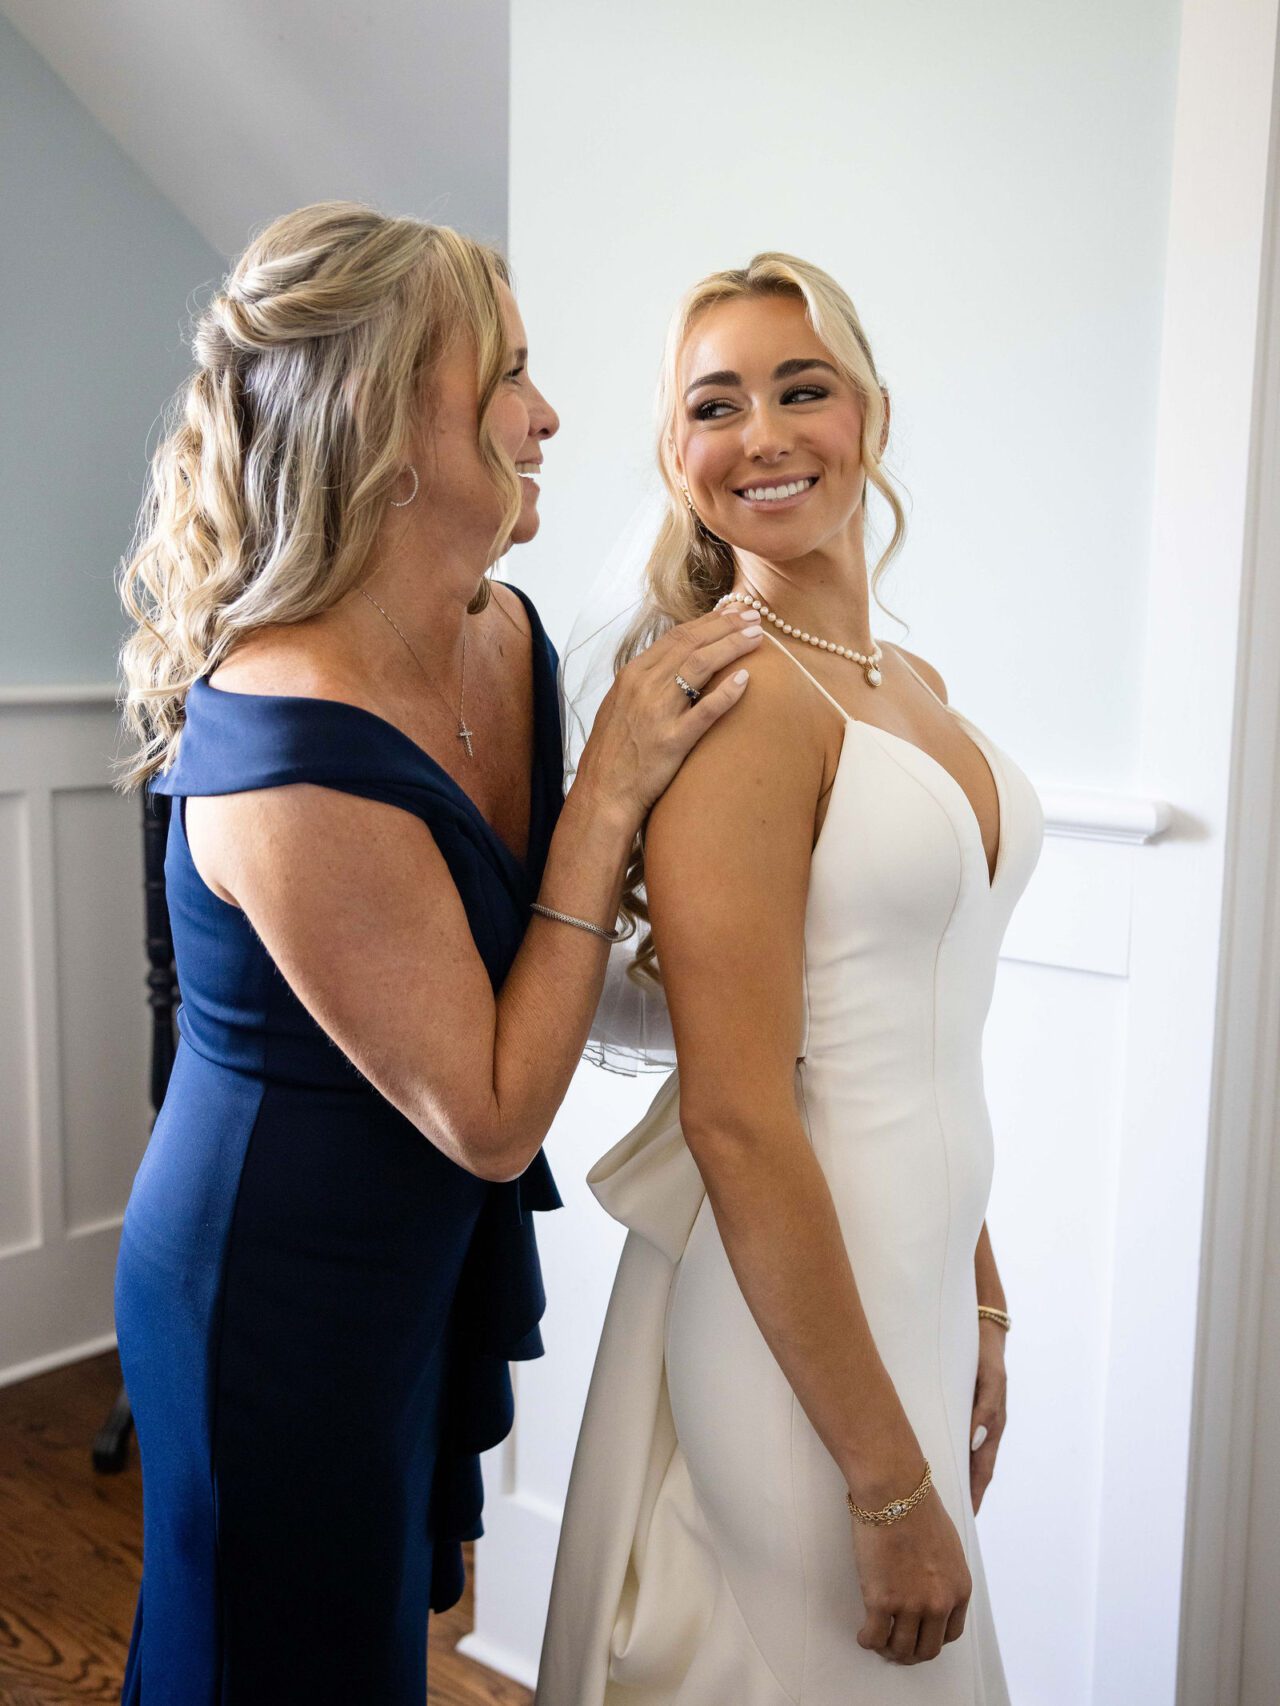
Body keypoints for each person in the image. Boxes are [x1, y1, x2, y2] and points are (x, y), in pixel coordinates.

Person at [112, 201, 763, 1706]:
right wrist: (609, 789)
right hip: (265, 1288)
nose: (550, 414)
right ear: (392, 429)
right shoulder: (285, 749)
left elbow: (544, 951)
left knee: (379, 1639)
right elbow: (487, 1109)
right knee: (264, 1666)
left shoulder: (504, 636)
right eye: (509, 375)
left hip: (411, 1268)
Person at [538, 253, 1045, 1704]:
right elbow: (742, 1117)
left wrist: (984, 1299)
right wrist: (887, 1484)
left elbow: (927, 1035)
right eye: (716, 404)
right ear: (674, 457)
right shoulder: (744, 703)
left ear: (869, 414)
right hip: (795, 1358)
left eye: (799, 388)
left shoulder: (914, 688)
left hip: (913, 1300)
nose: (761, 432)